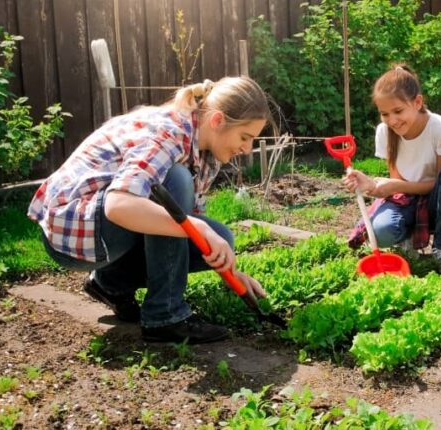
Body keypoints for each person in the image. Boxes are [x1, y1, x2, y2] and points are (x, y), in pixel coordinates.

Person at [28, 76, 274, 343]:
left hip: (106, 230)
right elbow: (118, 205)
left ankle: (109, 283)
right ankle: (165, 316)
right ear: (217, 121)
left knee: (219, 239)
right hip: (75, 229)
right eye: (245, 137)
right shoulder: (170, 132)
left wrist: (230, 272)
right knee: (175, 180)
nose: (247, 148)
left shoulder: (206, 153)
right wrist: (199, 227)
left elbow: (186, 219)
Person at [343, 65, 441, 273]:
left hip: (438, 202)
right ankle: (405, 240)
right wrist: (371, 185)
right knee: (381, 230)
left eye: (398, 111)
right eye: (385, 114)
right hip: (406, 199)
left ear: (417, 102)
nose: (392, 120)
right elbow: (397, 185)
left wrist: (395, 186)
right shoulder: (385, 131)